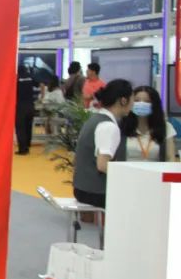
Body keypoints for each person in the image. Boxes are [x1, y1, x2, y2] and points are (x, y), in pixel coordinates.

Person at [72, 79, 133, 210]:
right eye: (132, 99)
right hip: (97, 192)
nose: (133, 104)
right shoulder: (108, 126)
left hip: (82, 188)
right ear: (123, 100)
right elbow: (102, 165)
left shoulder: (94, 119)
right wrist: (128, 176)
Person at [121, 85, 176, 163]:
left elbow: (170, 158)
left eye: (147, 101)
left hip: (156, 170)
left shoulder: (166, 127)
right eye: (136, 100)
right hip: (125, 169)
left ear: (155, 104)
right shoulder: (121, 126)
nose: (141, 104)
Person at [15, 64, 37, 155]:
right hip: (30, 105)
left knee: (21, 128)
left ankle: (23, 149)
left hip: (20, 106)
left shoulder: (16, 78)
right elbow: (41, 84)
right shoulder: (30, 77)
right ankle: (28, 145)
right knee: (28, 127)